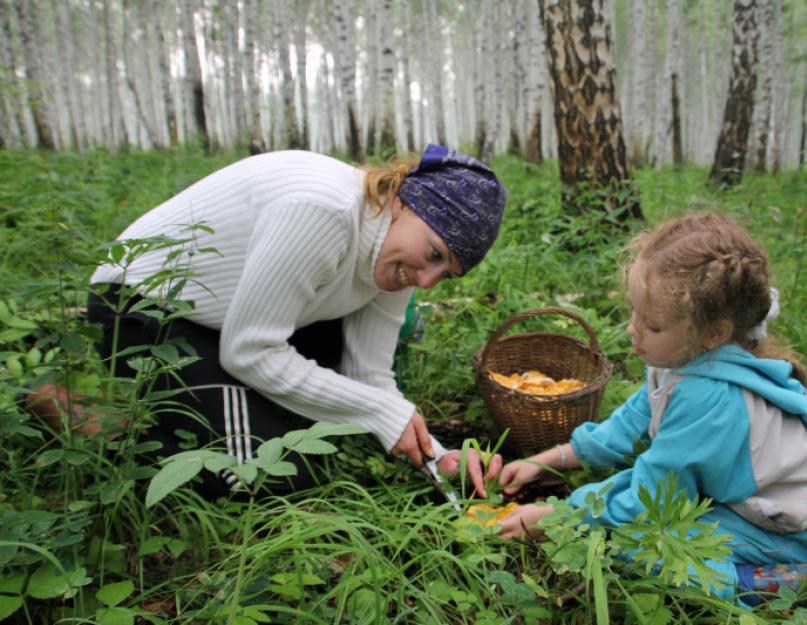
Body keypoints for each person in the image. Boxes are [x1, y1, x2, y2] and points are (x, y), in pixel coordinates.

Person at [28, 144, 507, 498]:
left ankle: (222, 405)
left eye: (446, 275)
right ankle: (98, 427)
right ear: (405, 202)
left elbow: (369, 377)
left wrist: (435, 455)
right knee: (274, 477)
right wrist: (379, 414)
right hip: (147, 309)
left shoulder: (394, 259)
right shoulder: (324, 210)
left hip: (231, 320)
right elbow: (250, 351)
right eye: (434, 254)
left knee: (305, 419)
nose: (426, 281)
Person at [495, 212, 807, 600]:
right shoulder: (681, 362)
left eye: (653, 324)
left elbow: (652, 497)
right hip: (741, 503)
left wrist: (559, 517)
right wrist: (546, 460)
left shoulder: (710, 400)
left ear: (713, 333)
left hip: (784, 529)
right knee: (621, 509)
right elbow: (625, 425)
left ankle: (772, 581)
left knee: (636, 546)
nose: (633, 329)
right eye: (634, 312)